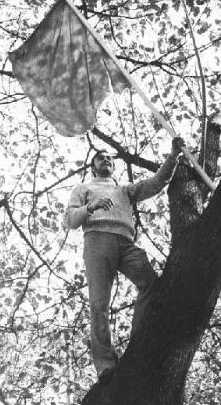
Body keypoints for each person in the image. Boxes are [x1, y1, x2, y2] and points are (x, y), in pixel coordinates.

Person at [64, 137, 185, 382]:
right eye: (101, 158)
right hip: (97, 241)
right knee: (99, 304)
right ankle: (106, 365)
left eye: (109, 158)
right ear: (93, 166)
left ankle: (139, 342)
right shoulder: (83, 189)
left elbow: (156, 183)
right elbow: (69, 221)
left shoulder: (124, 190)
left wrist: (173, 156)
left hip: (125, 242)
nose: (106, 160)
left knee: (150, 281)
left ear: (114, 166)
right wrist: (91, 207)